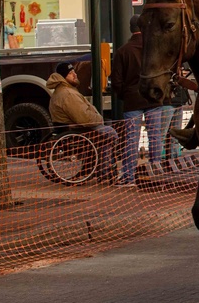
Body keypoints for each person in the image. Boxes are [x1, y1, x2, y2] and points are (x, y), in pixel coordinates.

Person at [111, 15, 163, 186]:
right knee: (155, 137)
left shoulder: (123, 51)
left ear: (131, 28)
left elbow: (116, 81)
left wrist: (124, 95)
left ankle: (128, 176)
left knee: (131, 140)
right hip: (153, 99)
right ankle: (155, 173)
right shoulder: (154, 48)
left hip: (132, 101)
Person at [46, 62, 120, 182]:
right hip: (75, 130)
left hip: (72, 128)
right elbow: (83, 118)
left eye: (74, 71)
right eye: (70, 73)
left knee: (107, 129)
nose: (75, 74)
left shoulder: (65, 90)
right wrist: (99, 119)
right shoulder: (67, 94)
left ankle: (102, 170)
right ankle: (105, 171)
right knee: (109, 133)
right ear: (63, 77)